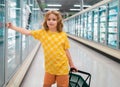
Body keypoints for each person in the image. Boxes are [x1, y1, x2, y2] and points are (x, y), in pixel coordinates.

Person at [6, 10, 77, 87]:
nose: (51, 21)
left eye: (54, 19)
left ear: (58, 21)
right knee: (46, 84)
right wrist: (12, 27)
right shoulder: (42, 33)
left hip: (62, 68)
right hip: (49, 68)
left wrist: (72, 65)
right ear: (46, 21)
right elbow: (27, 32)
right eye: (48, 19)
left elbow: (66, 51)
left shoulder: (63, 35)